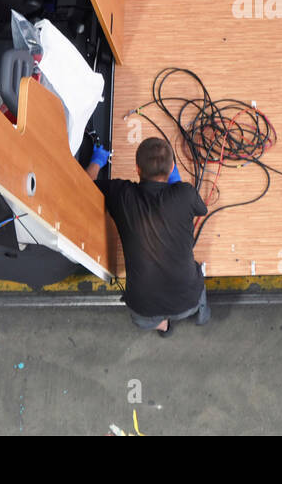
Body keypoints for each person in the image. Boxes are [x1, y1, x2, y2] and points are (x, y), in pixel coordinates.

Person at [85, 136, 209, 337]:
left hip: (144, 308)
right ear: (171, 170)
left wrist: (97, 161)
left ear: (137, 169)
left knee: (146, 320)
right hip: (188, 301)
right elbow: (201, 210)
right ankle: (202, 314)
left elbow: (83, 186)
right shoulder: (185, 194)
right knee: (195, 278)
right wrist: (176, 185)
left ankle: (164, 327)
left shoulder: (121, 194)